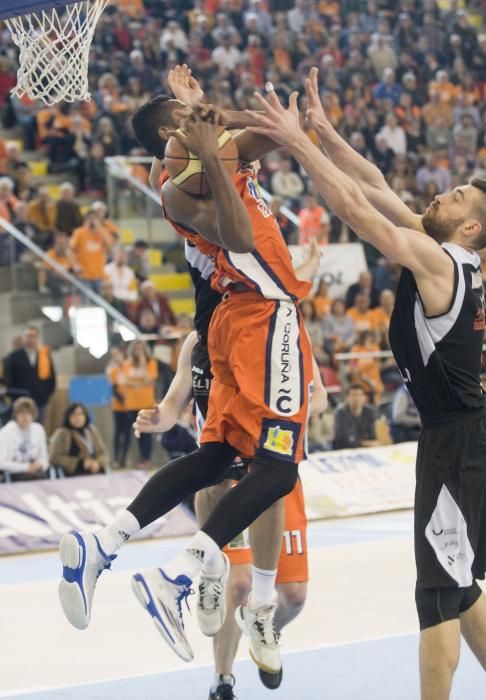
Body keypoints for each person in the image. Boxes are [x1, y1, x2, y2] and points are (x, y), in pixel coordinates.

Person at [58, 76, 313, 682]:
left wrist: (238, 117)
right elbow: (242, 236)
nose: (205, 117)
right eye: (188, 118)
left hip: (234, 321)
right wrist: (208, 139)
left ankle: (105, 544)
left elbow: (268, 134)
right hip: (255, 312)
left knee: (221, 454)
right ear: (173, 137)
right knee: (275, 468)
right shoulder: (175, 186)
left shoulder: (211, 148)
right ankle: (179, 577)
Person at [248, 67, 486, 700]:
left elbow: (353, 207)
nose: (441, 194)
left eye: (457, 195)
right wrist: (324, 130)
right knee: (459, 586)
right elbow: (374, 184)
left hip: (460, 444)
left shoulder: (439, 261)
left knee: (436, 597)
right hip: (456, 441)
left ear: (470, 230)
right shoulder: (441, 246)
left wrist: (296, 143)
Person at [4, 326, 56, 421]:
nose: (31, 339)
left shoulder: (44, 355)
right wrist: (13, 396)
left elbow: (51, 377)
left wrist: (46, 394)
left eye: (33, 336)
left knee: (38, 426)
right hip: (20, 401)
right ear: (23, 338)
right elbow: (8, 379)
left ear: (37, 338)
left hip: (40, 400)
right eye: (28, 336)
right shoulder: (13, 356)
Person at [122, 340, 158, 468]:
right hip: (131, 404)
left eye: (141, 349)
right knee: (135, 433)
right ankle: (137, 459)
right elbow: (126, 382)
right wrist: (142, 384)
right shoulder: (127, 364)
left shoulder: (151, 363)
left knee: (147, 433)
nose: (138, 351)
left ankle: (147, 459)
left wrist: (143, 365)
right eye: (136, 349)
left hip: (146, 403)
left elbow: (150, 380)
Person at [49, 403, 109, 477]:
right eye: (73, 415)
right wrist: (80, 463)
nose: (77, 418)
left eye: (80, 414)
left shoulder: (91, 430)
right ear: (68, 417)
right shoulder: (62, 433)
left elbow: (102, 452)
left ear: (85, 416)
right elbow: (54, 458)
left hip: (95, 470)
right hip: (74, 474)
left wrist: (98, 463)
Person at [0, 397, 49, 481]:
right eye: (22, 413)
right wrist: (26, 467)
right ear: (16, 415)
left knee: (43, 477)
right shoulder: (6, 432)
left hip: (36, 472)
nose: (25, 417)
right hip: (15, 473)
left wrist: (40, 465)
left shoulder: (38, 429)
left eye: (28, 413)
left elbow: (44, 458)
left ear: (33, 415)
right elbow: (2, 463)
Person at [70, 209, 113, 292]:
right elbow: (70, 250)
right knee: (86, 304)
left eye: (94, 219)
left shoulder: (102, 232)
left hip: (99, 275)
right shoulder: (79, 232)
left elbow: (110, 247)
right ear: (86, 220)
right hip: (84, 275)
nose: (92, 221)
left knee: (100, 302)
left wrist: (100, 228)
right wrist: (75, 265)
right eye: (90, 219)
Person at [332, 383, 378, 450]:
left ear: (365, 398)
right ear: (347, 397)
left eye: (359, 395)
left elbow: (372, 436)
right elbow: (344, 440)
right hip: (342, 451)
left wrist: (358, 441)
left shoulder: (369, 412)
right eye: (353, 395)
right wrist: (364, 442)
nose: (356, 398)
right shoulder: (340, 413)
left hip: (364, 450)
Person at [106, 347, 129, 468]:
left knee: (127, 433)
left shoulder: (128, 367)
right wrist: (123, 400)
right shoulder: (113, 370)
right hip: (118, 406)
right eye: (114, 355)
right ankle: (115, 458)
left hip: (130, 405)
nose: (116, 357)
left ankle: (123, 459)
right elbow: (114, 388)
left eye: (117, 354)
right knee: (118, 432)